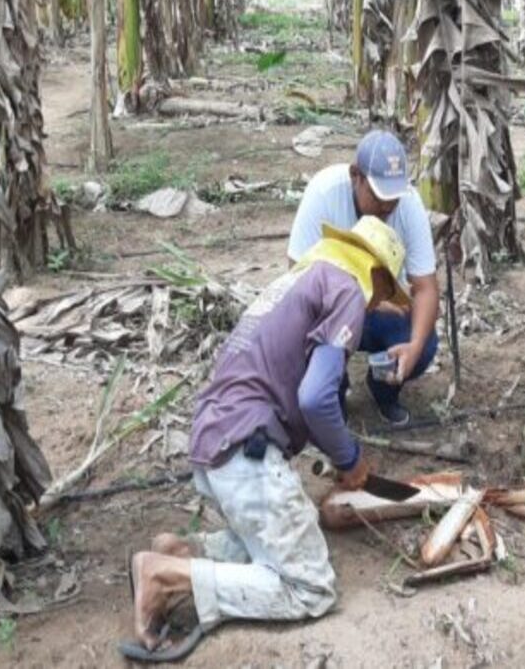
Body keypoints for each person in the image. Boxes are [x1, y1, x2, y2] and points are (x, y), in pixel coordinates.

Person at [120, 217, 409, 662]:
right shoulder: (349, 289)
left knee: (279, 542)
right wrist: (349, 459)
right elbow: (315, 399)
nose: (376, 306)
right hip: (245, 447)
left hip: (216, 437)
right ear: (377, 274)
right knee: (309, 586)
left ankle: (182, 552)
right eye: (385, 293)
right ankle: (167, 577)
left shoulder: (302, 280)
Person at [287, 130, 439, 426]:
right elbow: (297, 277)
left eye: (393, 197)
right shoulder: (324, 193)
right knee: (303, 324)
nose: (388, 207)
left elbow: (426, 287)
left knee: (424, 338)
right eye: (380, 196)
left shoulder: (407, 203)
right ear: (356, 176)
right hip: (329, 310)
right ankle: (333, 391)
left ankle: (384, 390)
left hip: (382, 311)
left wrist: (416, 345)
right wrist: (364, 301)